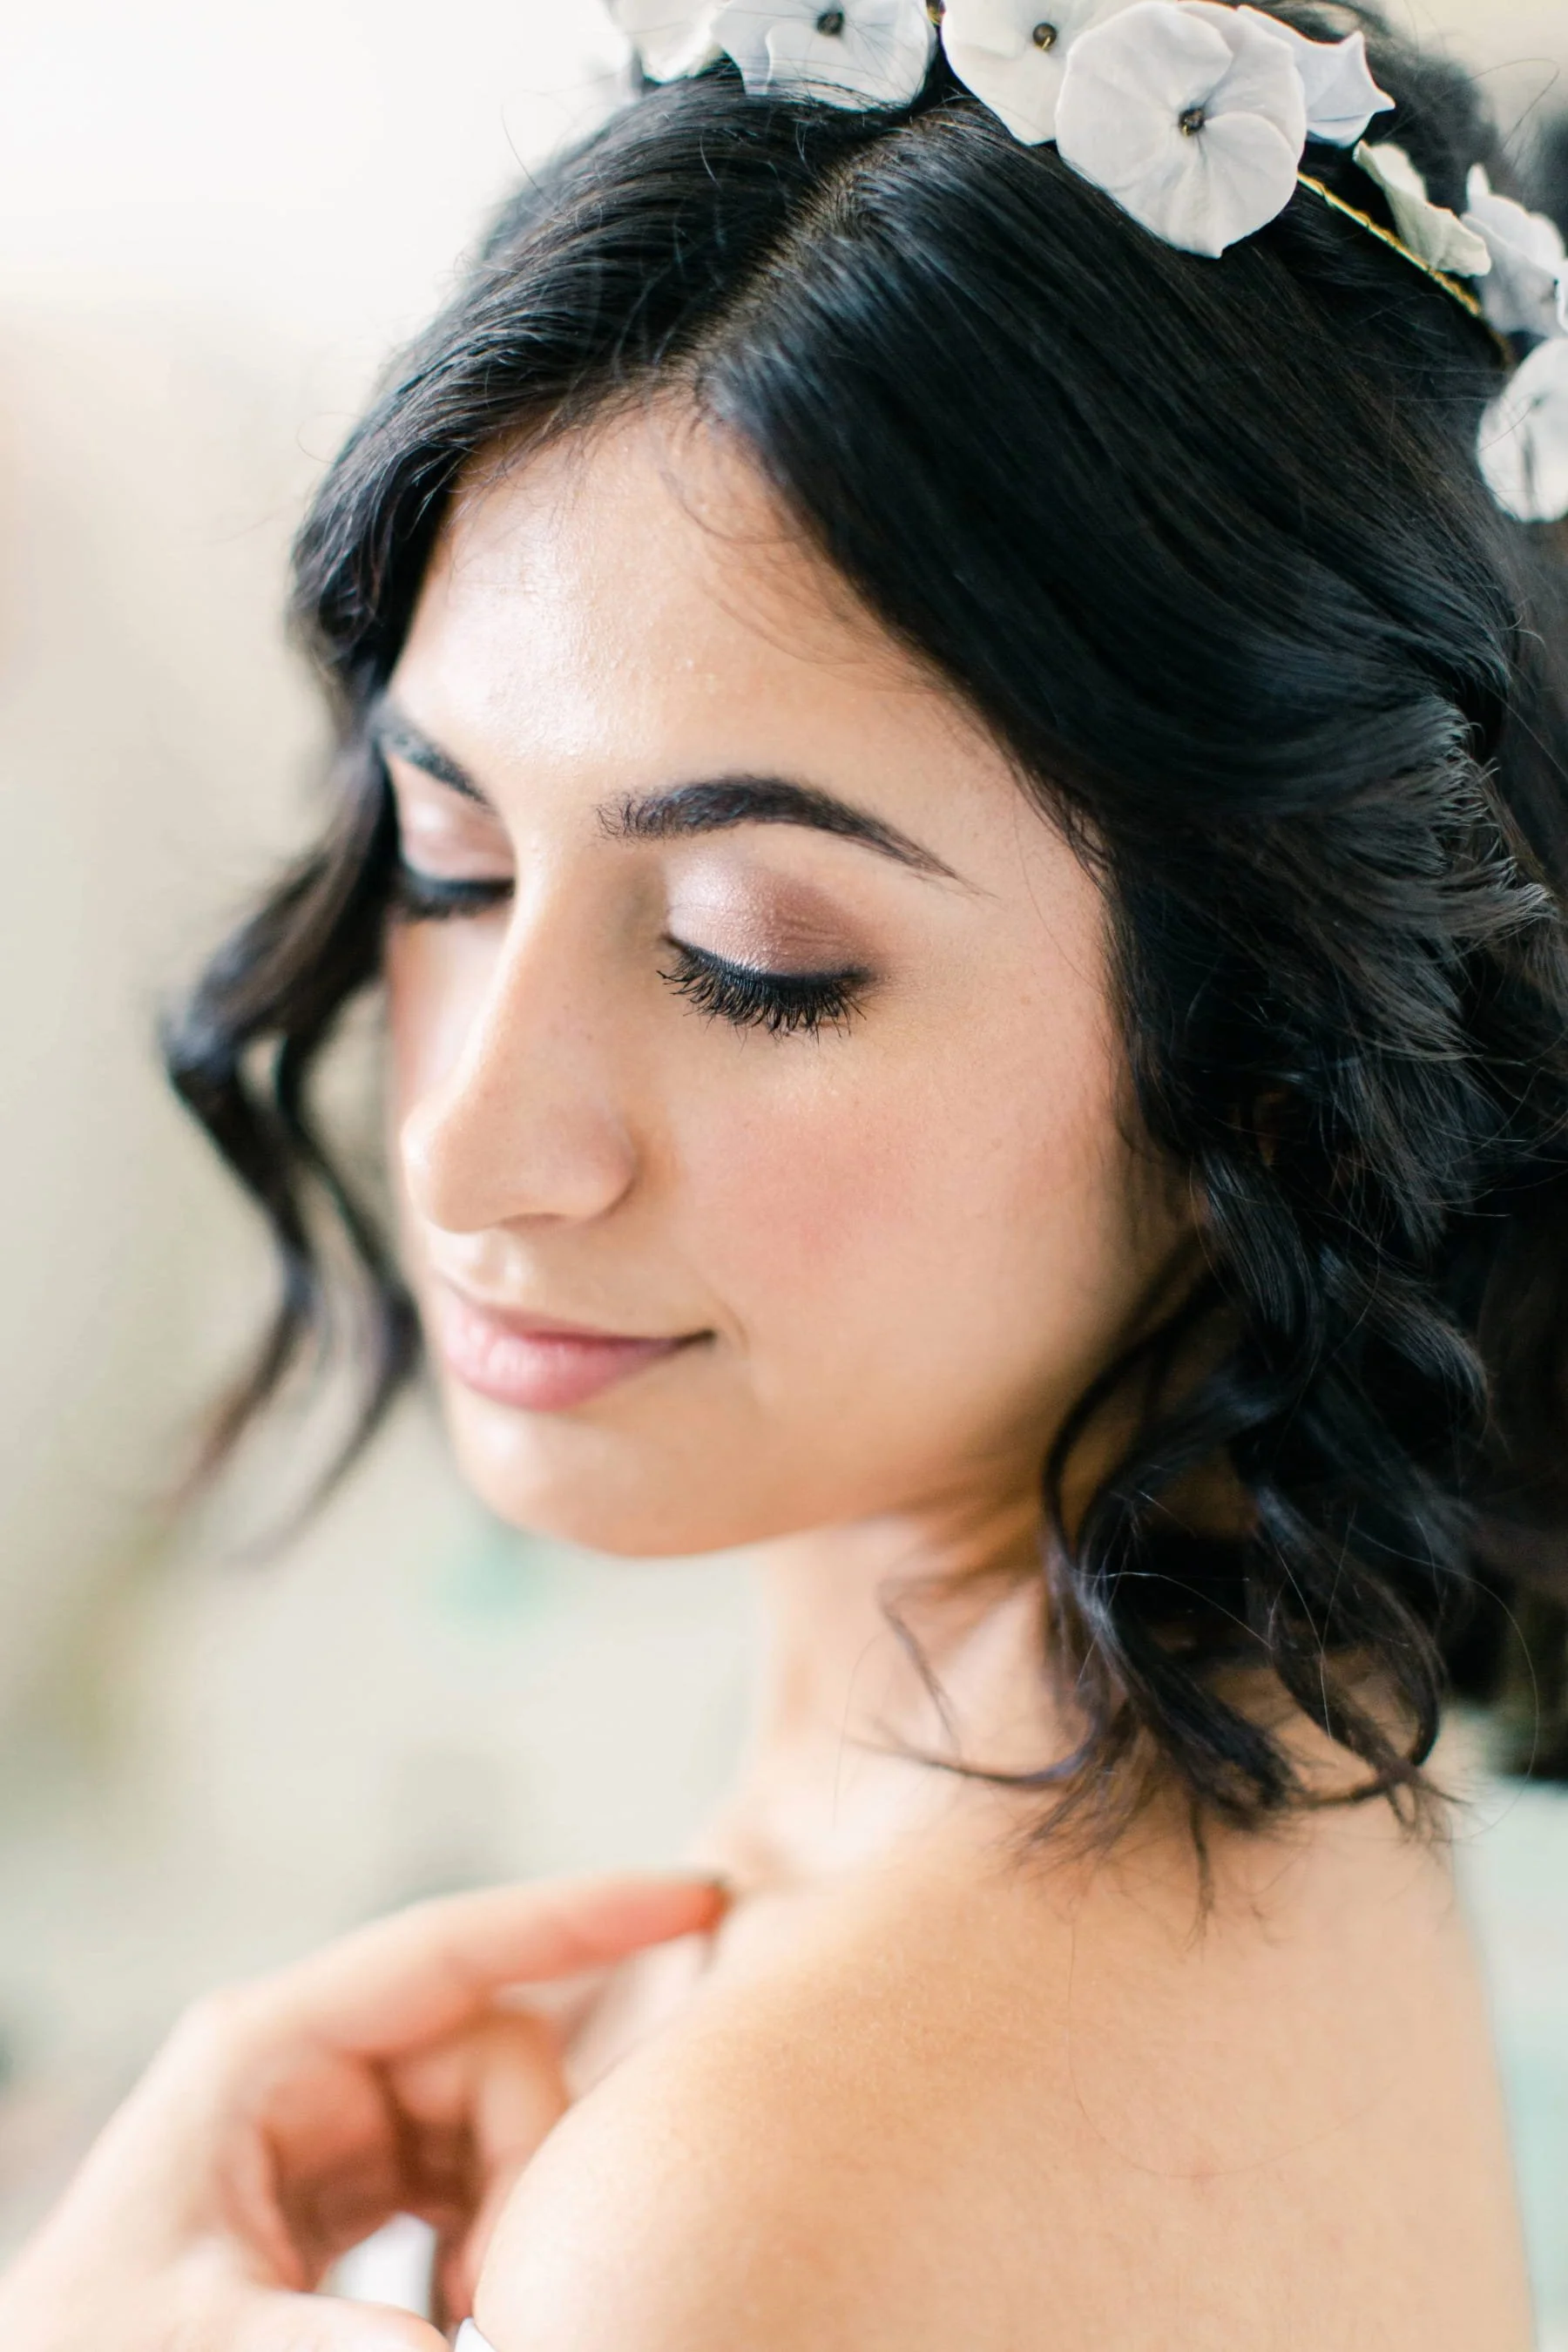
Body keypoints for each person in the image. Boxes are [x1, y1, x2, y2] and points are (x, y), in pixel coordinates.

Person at [4, 0, 1568, 2342]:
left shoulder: (755, 2218)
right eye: (448, 862)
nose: (465, 1130)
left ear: (1269, 1038)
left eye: (753, 959)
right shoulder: (1301, 1834)